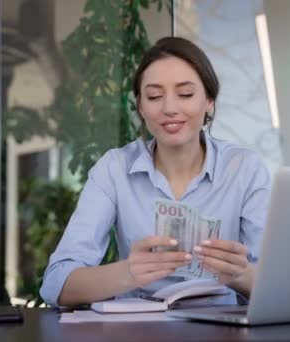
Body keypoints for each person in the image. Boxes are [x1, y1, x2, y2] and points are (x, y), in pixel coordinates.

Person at [40, 37, 271, 307]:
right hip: (137, 331)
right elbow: (56, 284)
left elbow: (281, 289)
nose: (169, 108)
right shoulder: (114, 169)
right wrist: (128, 273)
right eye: (154, 96)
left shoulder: (245, 168)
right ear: (140, 106)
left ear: (209, 100)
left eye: (185, 94)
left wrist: (239, 274)